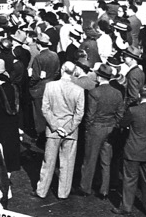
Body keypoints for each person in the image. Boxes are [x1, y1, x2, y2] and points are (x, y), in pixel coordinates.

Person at [114, 85, 146, 217]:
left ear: (139, 95)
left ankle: (126, 207)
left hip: (133, 149)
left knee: (130, 179)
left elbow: (122, 124)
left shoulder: (133, 110)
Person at [38, 61, 85, 199]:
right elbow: (79, 113)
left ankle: (42, 190)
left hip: (53, 130)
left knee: (48, 162)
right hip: (70, 131)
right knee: (67, 164)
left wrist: (55, 126)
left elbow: (45, 109)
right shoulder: (79, 90)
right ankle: (63, 193)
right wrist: (69, 128)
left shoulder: (50, 86)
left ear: (62, 70)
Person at [80, 63, 126, 198]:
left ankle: (85, 188)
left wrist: (88, 129)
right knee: (106, 161)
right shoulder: (117, 93)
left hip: (96, 128)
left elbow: (90, 115)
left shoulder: (94, 92)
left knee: (90, 159)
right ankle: (104, 190)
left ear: (99, 77)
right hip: (110, 128)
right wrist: (114, 125)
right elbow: (120, 114)